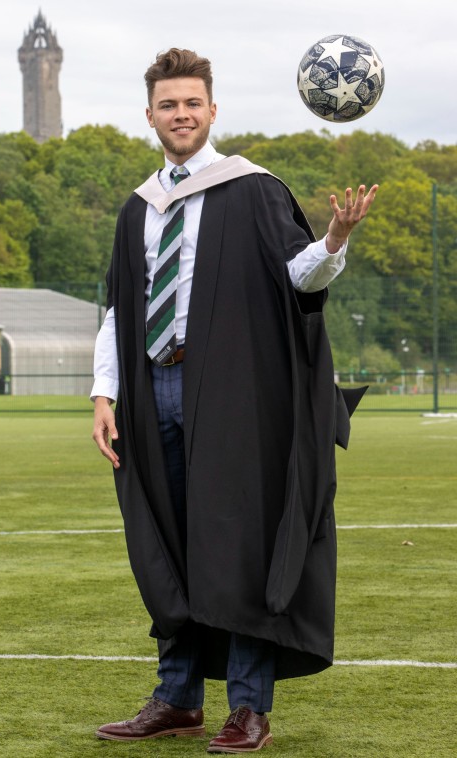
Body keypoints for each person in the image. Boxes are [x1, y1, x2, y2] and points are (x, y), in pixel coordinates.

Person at [91, 48, 377, 753]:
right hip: (152, 386)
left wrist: (334, 241)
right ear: (150, 114)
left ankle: (248, 707)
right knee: (168, 540)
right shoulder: (139, 209)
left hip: (232, 395)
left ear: (211, 110)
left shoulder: (252, 190)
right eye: (168, 104)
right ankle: (177, 697)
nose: (180, 114)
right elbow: (118, 310)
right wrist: (104, 392)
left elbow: (298, 280)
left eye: (192, 103)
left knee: (239, 543)